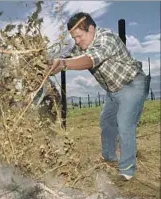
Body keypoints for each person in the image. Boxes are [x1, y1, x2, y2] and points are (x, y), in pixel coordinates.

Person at [50, 12, 150, 181]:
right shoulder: (81, 45)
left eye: (79, 36)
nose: (77, 41)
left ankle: (127, 170)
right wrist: (49, 62)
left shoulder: (106, 39)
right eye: (74, 38)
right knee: (106, 121)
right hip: (113, 90)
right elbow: (68, 55)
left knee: (124, 124)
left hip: (132, 85)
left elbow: (90, 59)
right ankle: (109, 157)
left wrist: (63, 64)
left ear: (91, 29)